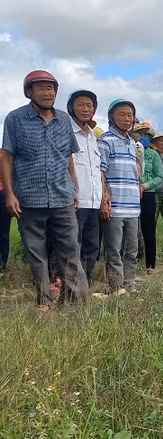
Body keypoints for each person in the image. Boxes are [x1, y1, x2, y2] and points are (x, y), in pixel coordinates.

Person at [0, 70, 90, 309]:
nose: (48, 92)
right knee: (36, 253)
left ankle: (74, 301)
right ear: (29, 92)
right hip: (28, 197)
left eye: (51, 88)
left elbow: (68, 158)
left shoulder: (63, 120)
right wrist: (9, 193)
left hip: (62, 196)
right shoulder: (15, 119)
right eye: (41, 88)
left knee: (71, 251)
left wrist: (74, 191)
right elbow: (7, 157)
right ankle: (44, 300)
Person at [98, 98, 141, 295]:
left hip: (132, 207)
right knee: (114, 250)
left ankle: (129, 285)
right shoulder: (105, 140)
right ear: (112, 117)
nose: (126, 119)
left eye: (130, 115)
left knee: (132, 250)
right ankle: (116, 287)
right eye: (122, 114)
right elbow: (101, 173)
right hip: (115, 206)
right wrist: (105, 200)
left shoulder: (132, 143)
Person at [67, 90, 104, 286]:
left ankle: (86, 284)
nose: (85, 109)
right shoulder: (66, 131)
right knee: (73, 245)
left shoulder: (92, 137)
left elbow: (97, 170)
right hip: (75, 200)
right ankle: (69, 286)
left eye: (89, 105)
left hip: (93, 200)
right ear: (72, 107)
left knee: (92, 246)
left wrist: (103, 197)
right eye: (80, 104)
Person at [133, 123, 163, 274]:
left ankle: (150, 265)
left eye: (147, 135)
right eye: (141, 134)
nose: (144, 138)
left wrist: (146, 185)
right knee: (129, 229)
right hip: (130, 194)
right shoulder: (130, 150)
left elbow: (160, 177)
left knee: (148, 230)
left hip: (148, 194)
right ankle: (130, 264)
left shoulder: (154, 155)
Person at [0, 151, 11, 273]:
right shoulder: (7, 155)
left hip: (3, 194)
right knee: (4, 233)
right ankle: (3, 266)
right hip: (5, 194)